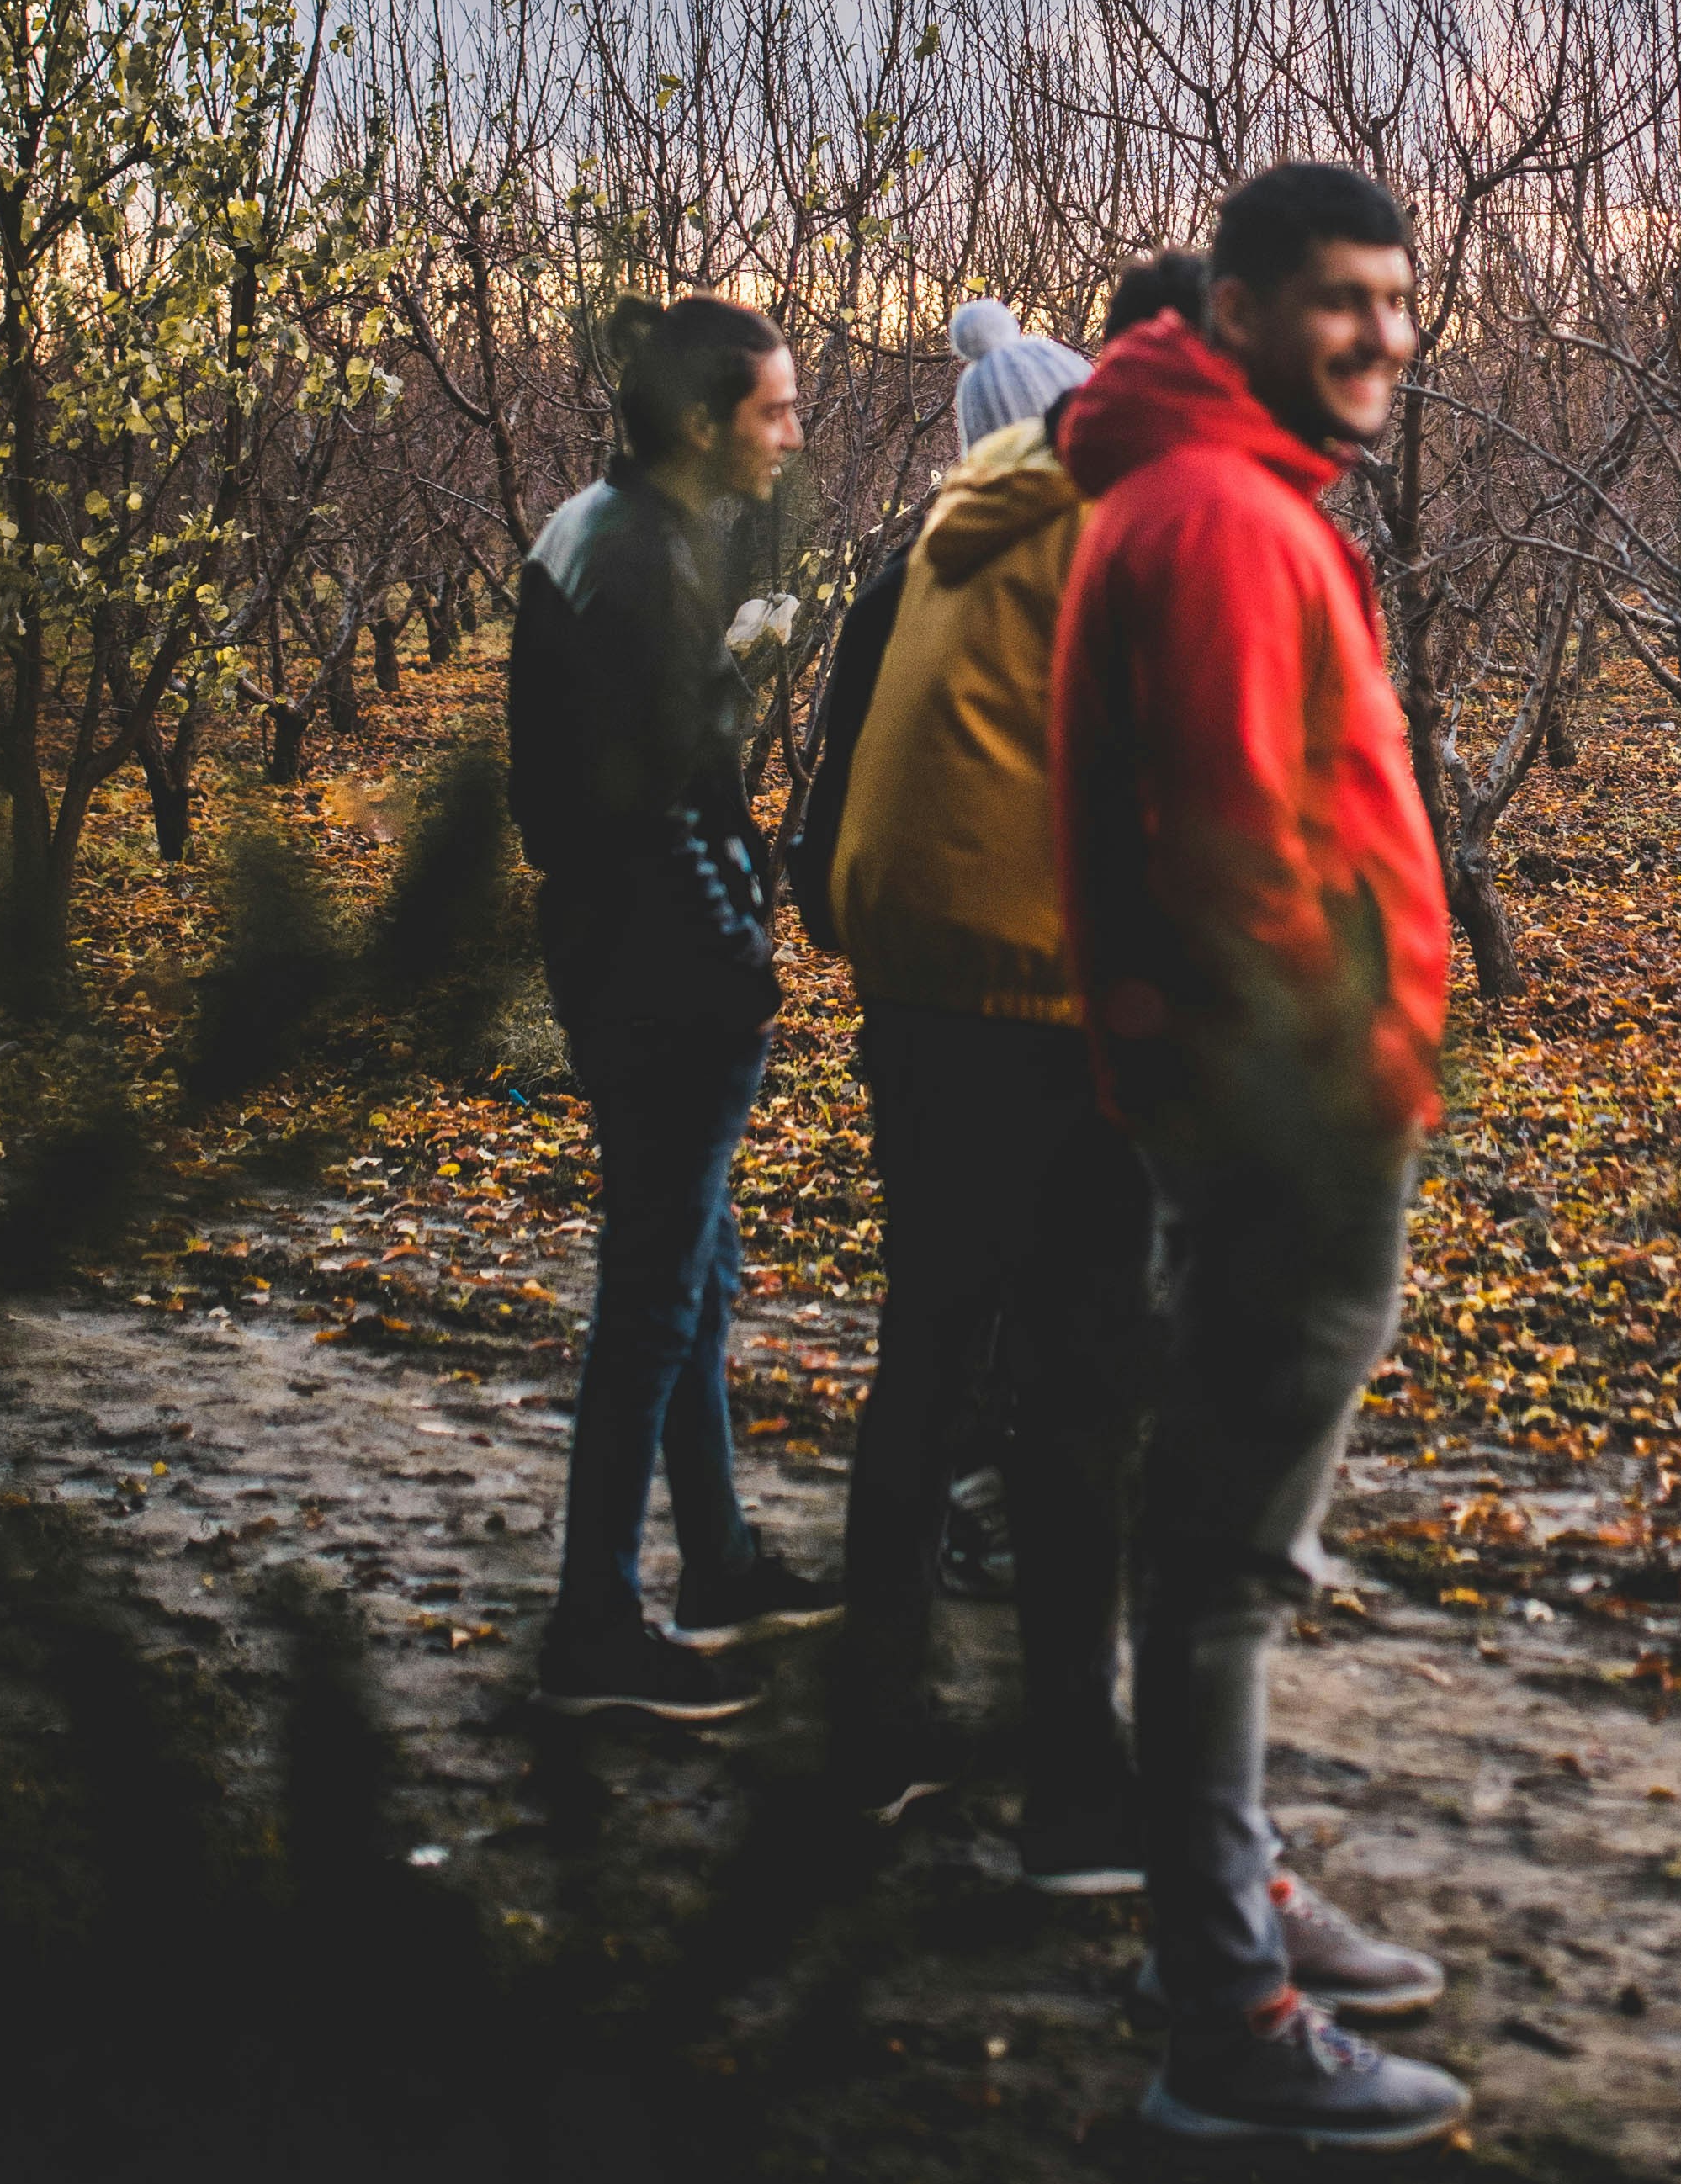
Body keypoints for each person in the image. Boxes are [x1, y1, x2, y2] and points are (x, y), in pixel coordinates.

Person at [1050, 165, 1469, 2148]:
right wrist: (1331, 1081)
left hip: (1262, 1103)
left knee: (1221, 1545)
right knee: (1225, 1561)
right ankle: (1225, 2007)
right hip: (1288, 1117)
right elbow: (1231, 854)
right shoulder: (1219, 515)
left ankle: (1217, 1898)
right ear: (1229, 308)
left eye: (1399, 298)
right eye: (1337, 300)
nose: (1383, 333)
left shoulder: (1224, 487)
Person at [827, 268, 1196, 1869]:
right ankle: (1077, 1783)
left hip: (917, 991)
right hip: (1045, 1005)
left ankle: (871, 1733)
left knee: (926, 1351)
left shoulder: (951, 526)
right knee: (1078, 1399)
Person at [507, 291, 834, 1720]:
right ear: (702, 421)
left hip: (610, 958)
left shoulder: (592, 530)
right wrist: (740, 964)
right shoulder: (647, 564)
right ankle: (595, 1621)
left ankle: (716, 1560)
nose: (792, 433)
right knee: (654, 1299)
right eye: (773, 408)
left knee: (693, 1279)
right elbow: (663, 815)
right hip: (665, 981)